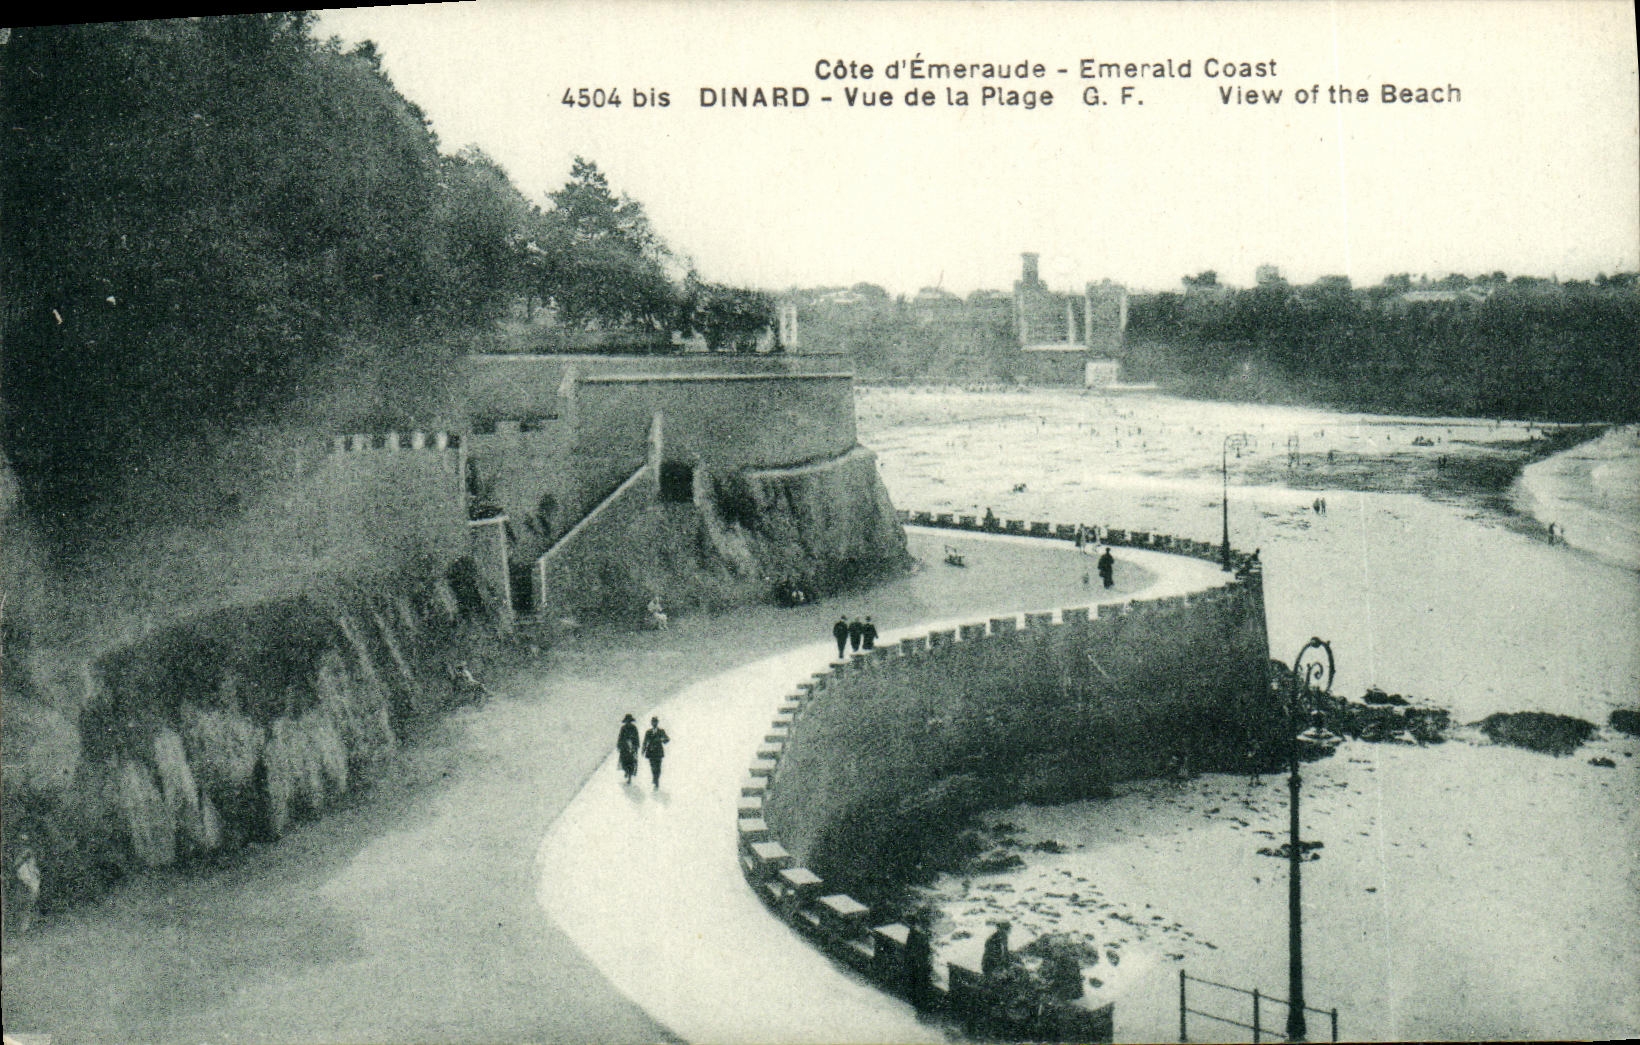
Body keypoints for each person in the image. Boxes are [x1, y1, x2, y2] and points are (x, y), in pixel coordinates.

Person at [903, 914, 936, 1011]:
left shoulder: (913, 933)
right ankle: (920, 1004)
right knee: (920, 983)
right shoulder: (920, 935)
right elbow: (925, 950)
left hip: (916, 962)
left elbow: (909, 948)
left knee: (916, 982)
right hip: (920, 963)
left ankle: (917, 1002)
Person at [642, 716, 670, 789]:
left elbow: (667, 739)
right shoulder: (648, 732)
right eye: (653, 722)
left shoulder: (661, 731)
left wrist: (662, 739)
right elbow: (645, 741)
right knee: (652, 767)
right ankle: (655, 778)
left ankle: (656, 780)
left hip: (658, 752)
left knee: (658, 767)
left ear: (657, 723)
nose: (654, 723)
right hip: (651, 752)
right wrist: (643, 750)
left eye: (655, 722)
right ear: (651, 723)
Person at [616, 714, 640, 785]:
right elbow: (620, 737)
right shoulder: (623, 728)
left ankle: (629, 777)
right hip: (624, 748)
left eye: (629, 721)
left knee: (631, 762)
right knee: (624, 762)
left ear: (631, 721)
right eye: (627, 721)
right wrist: (619, 745)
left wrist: (636, 746)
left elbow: (636, 737)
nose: (628, 722)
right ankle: (626, 771)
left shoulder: (634, 728)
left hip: (632, 748)